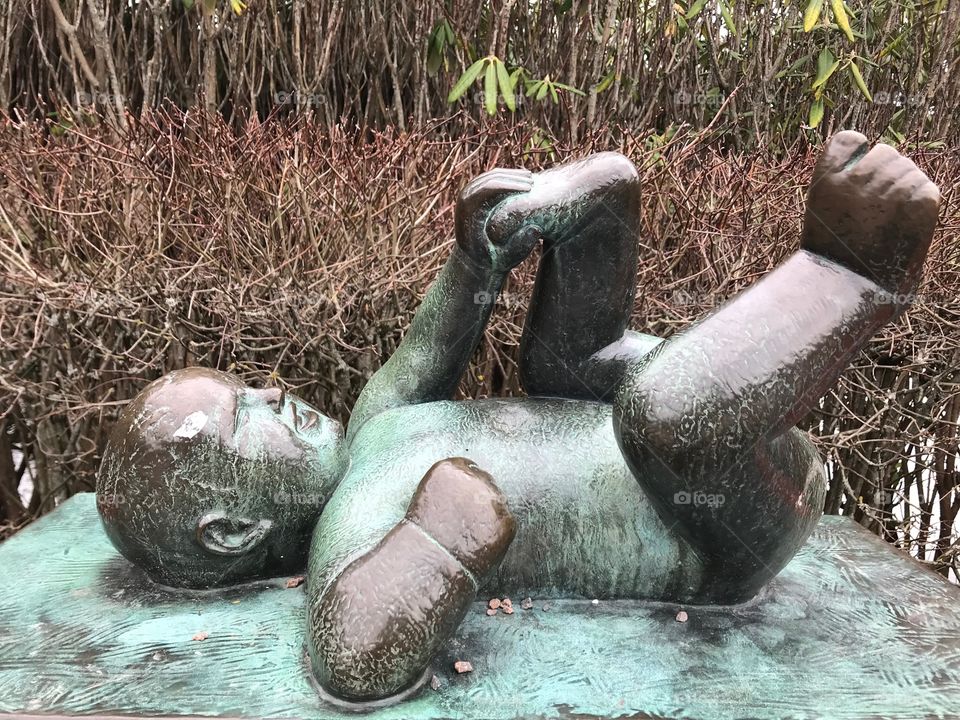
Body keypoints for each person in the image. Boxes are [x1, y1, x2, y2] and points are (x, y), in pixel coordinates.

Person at [96, 131, 940, 703]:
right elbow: (352, 657)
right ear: (234, 529)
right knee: (661, 415)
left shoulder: (374, 424)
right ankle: (854, 277)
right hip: (717, 523)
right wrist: (436, 539)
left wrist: (480, 252)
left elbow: (433, 343)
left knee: (564, 364)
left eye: (251, 385)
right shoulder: (353, 527)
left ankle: (599, 203)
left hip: (677, 456)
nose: (275, 391)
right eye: (249, 416)